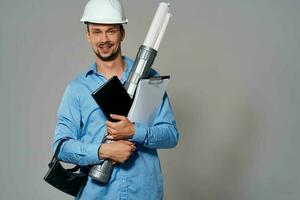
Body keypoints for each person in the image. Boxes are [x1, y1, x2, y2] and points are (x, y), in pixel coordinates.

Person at [52, 0, 179, 199]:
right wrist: (104, 151)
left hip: (144, 193)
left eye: (111, 31)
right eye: (96, 31)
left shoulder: (150, 79)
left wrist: (135, 131)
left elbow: (171, 135)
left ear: (122, 33)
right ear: (88, 36)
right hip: (96, 194)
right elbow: (61, 147)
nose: (104, 39)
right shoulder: (77, 89)